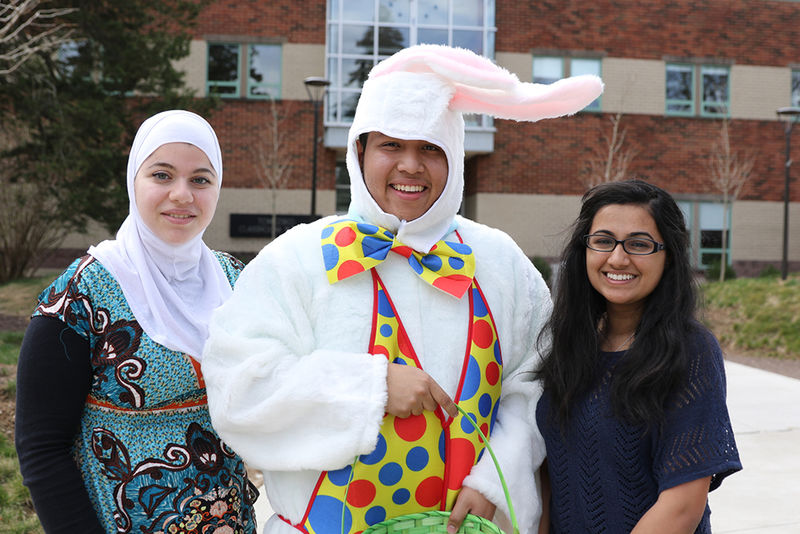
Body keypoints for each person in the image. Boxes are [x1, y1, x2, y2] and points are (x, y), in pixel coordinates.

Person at [200, 44, 602, 534]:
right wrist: (369, 388)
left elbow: (541, 384)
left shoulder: (500, 262)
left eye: (430, 148)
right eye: (391, 145)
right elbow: (237, 387)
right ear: (360, 150)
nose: (411, 165)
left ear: (454, 157)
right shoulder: (296, 259)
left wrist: (495, 483)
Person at [15, 110, 258, 533]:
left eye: (200, 179)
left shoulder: (235, 281)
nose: (182, 194)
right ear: (134, 181)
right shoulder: (83, 293)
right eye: (162, 175)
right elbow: (41, 447)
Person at [535, 179, 742, 533]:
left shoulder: (691, 351)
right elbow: (552, 480)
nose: (618, 258)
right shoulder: (569, 345)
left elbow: (681, 508)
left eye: (639, 244)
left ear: (669, 256)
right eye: (603, 241)